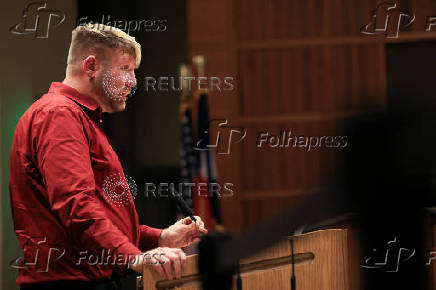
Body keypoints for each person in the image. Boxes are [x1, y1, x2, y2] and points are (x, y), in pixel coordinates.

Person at [9, 23, 207, 290]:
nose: (133, 81)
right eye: (125, 69)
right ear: (91, 66)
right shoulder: (59, 115)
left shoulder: (81, 119)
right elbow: (76, 207)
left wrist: (161, 238)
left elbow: (106, 221)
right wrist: (135, 257)